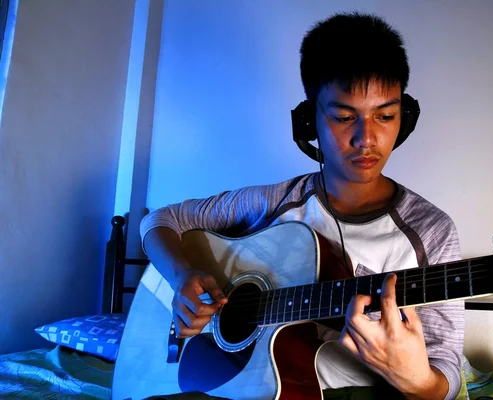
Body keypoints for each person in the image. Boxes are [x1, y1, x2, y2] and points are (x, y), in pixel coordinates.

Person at [140, 11, 464, 400]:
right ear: (309, 120)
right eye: (345, 117)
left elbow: (446, 366)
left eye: (386, 115)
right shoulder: (271, 203)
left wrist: (420, 382)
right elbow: (161, 219)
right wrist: (182, 276)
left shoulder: (431, 230)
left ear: (405, 118)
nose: (367, 138)